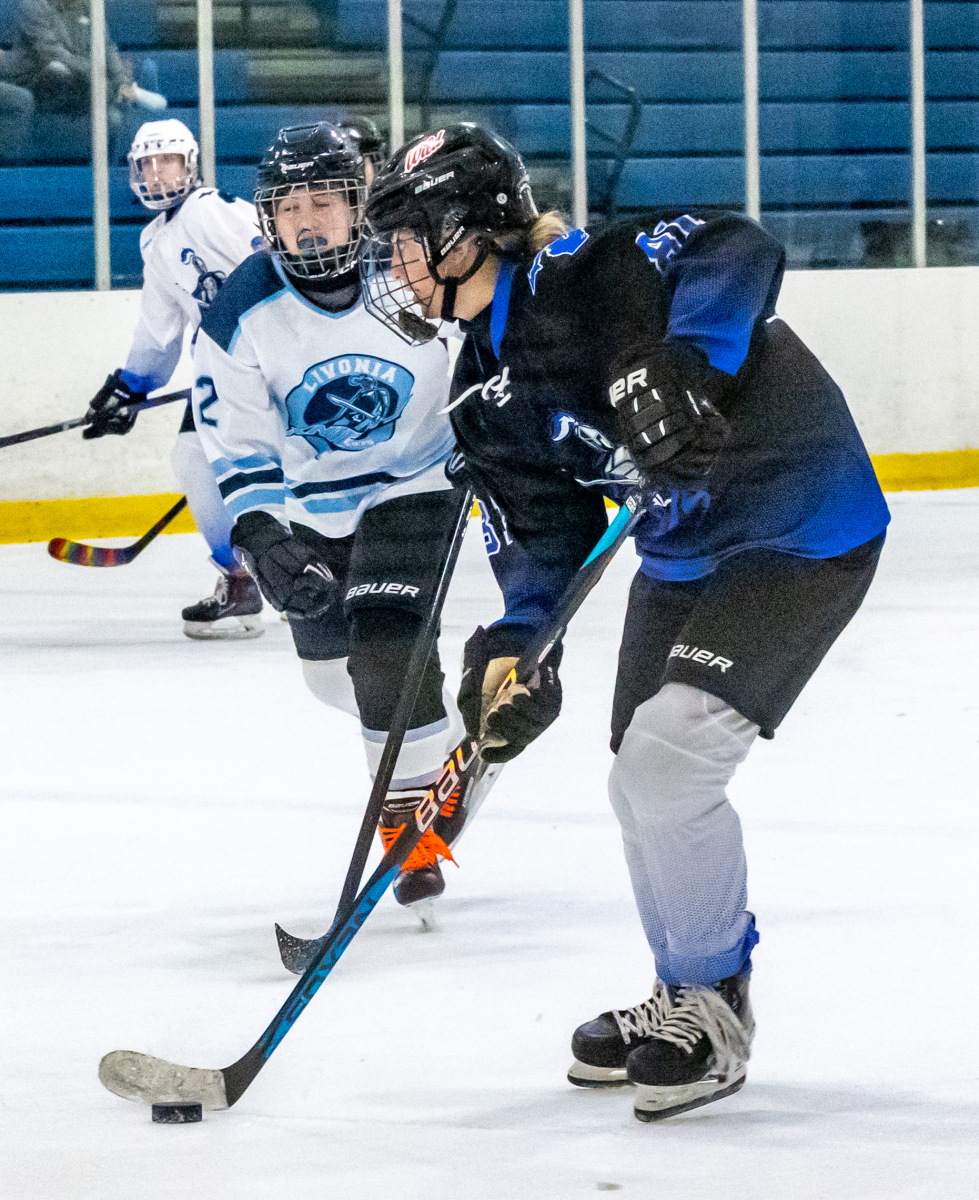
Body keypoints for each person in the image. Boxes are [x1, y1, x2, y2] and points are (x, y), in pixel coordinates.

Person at [361, 123, 891, 1120]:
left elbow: (733, 248)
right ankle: (685, 989)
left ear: (470, 230)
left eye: (407, 238)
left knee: (668, 765)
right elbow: (541, 537)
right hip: (683, 552)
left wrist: (680, 364)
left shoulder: (585, 273)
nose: (394, 264)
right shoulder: (480, 394)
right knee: (637, 778)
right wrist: (516, 645)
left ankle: (713, 1007)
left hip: (797, 520)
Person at [192, 121, 482, 907]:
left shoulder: (413, 264)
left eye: (324, 201)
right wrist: (260, 533)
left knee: (386, 653)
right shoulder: (239, 309)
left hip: (418, 481)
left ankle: (411, 841)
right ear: (267, 219)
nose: (307, 221)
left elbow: (491, 329)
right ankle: (450, 743)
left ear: (359, 203)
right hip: (310, 505)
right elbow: (238, 441)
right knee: (334, 680)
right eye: (289, 207)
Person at [82, 118, 268, 639]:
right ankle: (241, 578)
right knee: (192, 458)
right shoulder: (156, 239)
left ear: (190, 165)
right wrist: (129, 387)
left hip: (273, 357)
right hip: (221, 368)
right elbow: (160, 332)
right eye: (147, 163)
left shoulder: (210, 210)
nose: (157, 172)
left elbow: (273, 261)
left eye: (167, 160)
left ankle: (325, 570)